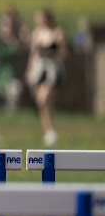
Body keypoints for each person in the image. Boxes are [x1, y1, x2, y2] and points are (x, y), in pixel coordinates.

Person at [25, 8, 67, 146]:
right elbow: (33, 53)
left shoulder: (57, 32)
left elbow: (63, 52)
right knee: (42, 102)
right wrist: (29, 69)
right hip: (40, 69)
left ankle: (51, 131)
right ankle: (48, 131)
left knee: (45, 98)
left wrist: (51, 52)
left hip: (53, 70)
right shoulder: (36, 33)